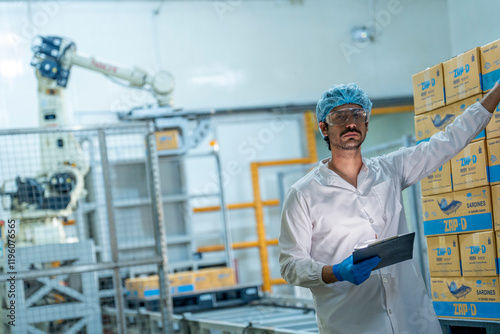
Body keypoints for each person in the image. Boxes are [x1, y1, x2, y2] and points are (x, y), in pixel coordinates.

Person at [279, 81, 500, 334]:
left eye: (357, 114)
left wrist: (497, 91)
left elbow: (448, 141)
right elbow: (290, 265)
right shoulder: (303, 194)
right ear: (324, 128)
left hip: (413, 321)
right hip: (354, 325)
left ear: (366, 124)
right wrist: (335, 272)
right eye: (339, 117)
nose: (350, 123)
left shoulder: (391, 169)